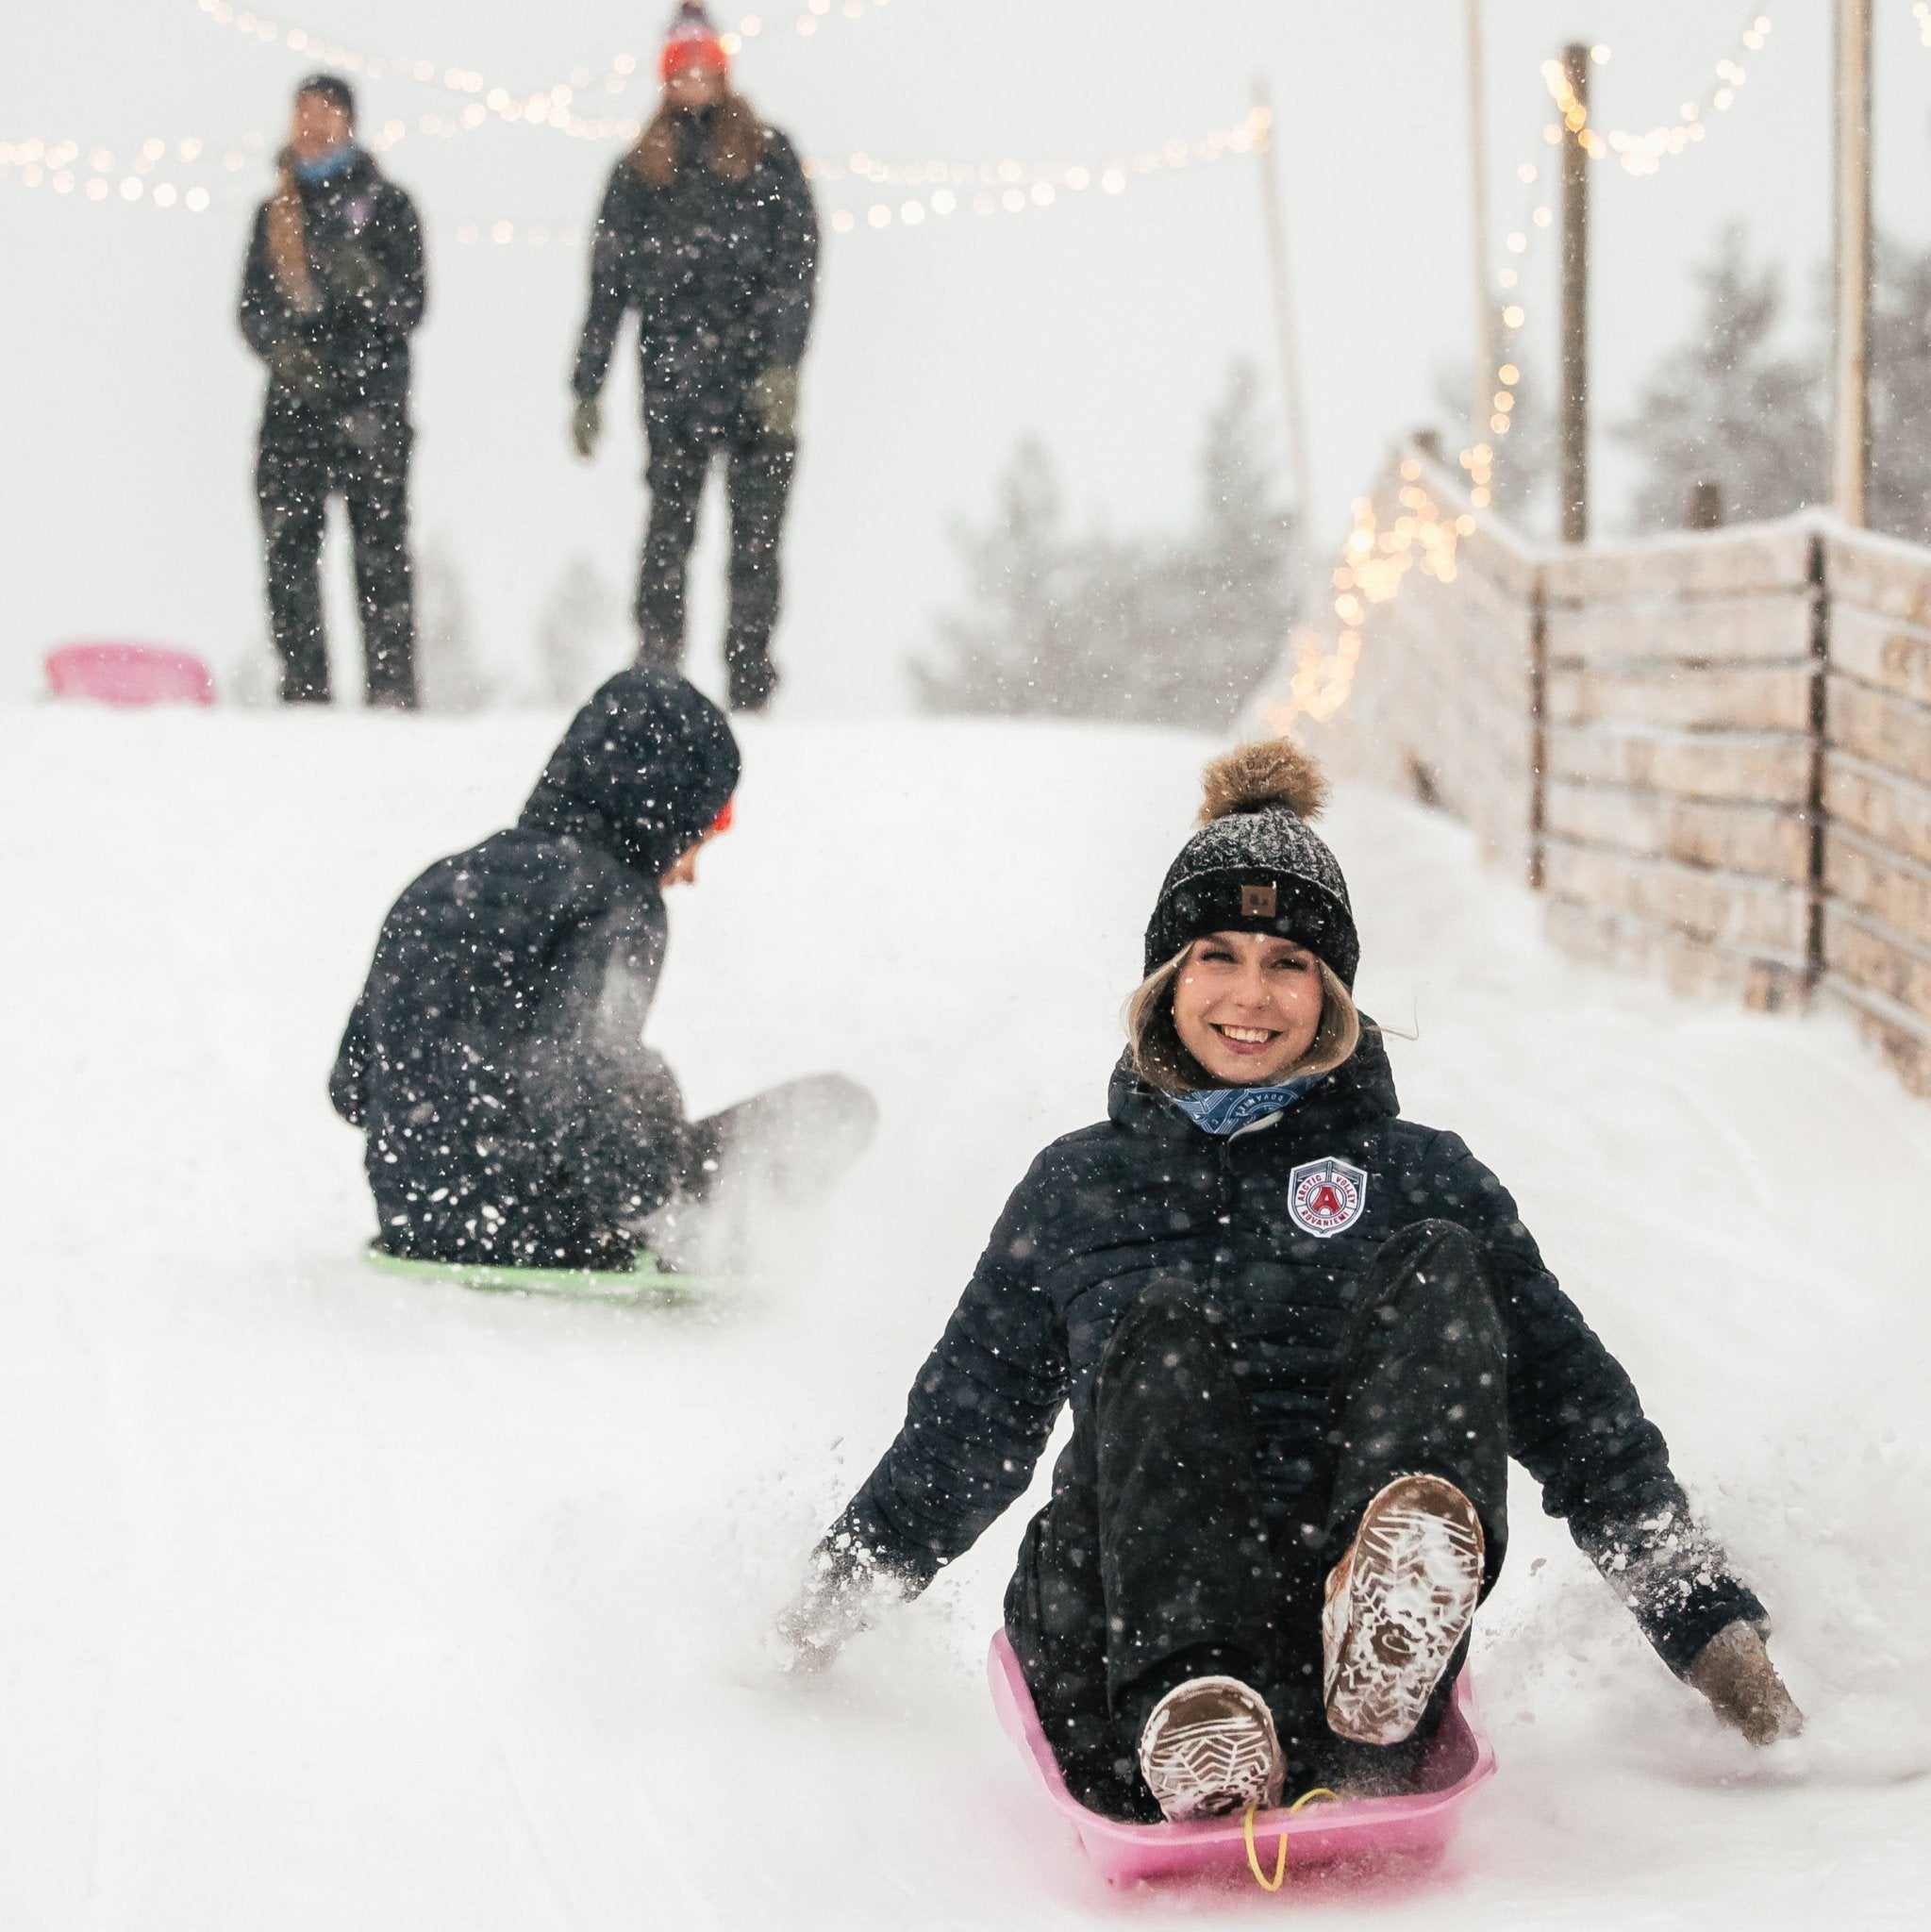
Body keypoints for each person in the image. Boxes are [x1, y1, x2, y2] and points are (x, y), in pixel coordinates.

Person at [780, 739, 1803, 1823]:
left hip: (1350, 1694)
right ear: (1166, 978)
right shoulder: (1079, 1186)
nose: (1249, 996)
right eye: (1216, 954)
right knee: (1163, 1327)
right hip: (1116, 1660)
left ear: (1333, 990)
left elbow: (1583, 1419)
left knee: (1441, 1265)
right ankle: (1192, 1697)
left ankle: (1385, 1609)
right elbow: (964, 1432)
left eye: (1288, 962)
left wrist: (1707, 1630)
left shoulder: (1421, 1177)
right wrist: (813, 1614)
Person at [329, 667, 873, 1269]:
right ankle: (746, 1241)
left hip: (418, 1225)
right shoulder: (618, 903)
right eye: (707, 831)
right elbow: (573, 1080)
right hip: (558, 1240)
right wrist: (672, 1221)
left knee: (638, 1087)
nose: (691, 870)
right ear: (663, 811)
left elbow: (351, 1088)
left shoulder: (436, 885)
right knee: (837, 1107)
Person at [569, 2, 819, 714]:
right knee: (668, 532)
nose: (696, 82)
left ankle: (749, 674)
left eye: (706, 69)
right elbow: (606, 285)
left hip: (755, 384)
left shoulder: (770, 158)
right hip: (674, 383)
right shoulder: (639, 172)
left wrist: (780, 363)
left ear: (724, 73)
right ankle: (658, 665)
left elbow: (797, 268)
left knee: (757, 539)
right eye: (684, 71)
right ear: (666, 79)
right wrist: (586, 384)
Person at [239, 74, 425, 708]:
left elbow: (411, 307)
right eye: (303, 112)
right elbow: (252, 309)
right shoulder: (274, 214)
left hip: (373, 408)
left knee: (380, 554)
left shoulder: (388, 207)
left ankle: (391, 691)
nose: (312, 124)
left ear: (350, 121)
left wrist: (367, 285)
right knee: (290, 553)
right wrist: (286, 353)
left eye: (325, 112)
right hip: (294, 414)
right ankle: (305, 691)